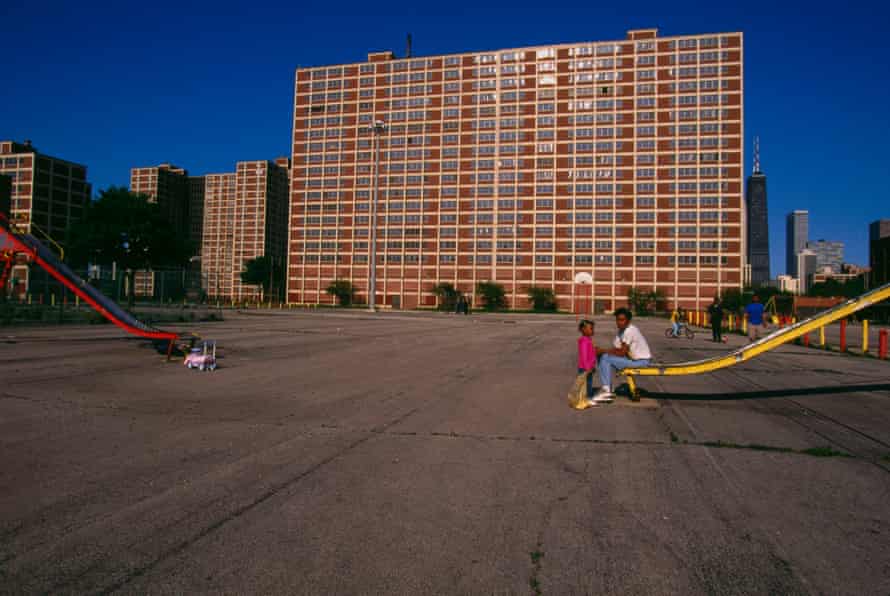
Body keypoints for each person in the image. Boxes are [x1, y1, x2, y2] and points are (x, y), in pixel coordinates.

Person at [594, 308, 652, 402]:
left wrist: (603, 351)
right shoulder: (621, 331)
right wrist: (600, 351)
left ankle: (607, 391)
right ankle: (606, 389)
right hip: (634, 360)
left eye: (622, 320)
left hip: (641, 362)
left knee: (605, 357)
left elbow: (621, 353)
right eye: (617, 320)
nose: (619, 322)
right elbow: (616, 349)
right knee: (603, 356)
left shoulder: (630, 330)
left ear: (628, 321)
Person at [576, 319, 598, 403]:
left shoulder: (588, 339)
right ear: (583, 330)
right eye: (591, 329)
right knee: (586, 384)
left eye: (593, 328)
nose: (593, 331)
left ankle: (585, 397)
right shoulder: (584, 341)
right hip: (585, 368)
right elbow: (584, 357)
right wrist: (588, 368)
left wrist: (593, 365)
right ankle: (587, 398)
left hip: (588, 367)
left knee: (588, 382)